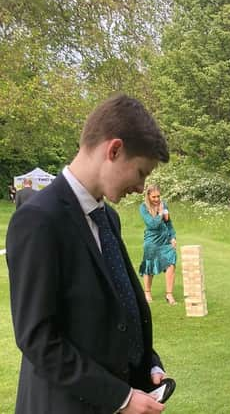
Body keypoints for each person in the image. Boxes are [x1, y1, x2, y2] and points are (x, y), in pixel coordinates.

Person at [6, 94, 171, 414]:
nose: (141, 187)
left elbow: (117, 309)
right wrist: (120, 398)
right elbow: (38, 339)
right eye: (140, 173)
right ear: (114, 150)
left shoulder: (107, 217)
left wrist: (147, 364)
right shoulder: (39, 220)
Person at [139, 185, 178, 305]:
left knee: (171, 263)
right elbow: (152, 225)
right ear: (148, 196)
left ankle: (169, 295)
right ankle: (147, 292)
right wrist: (160, 213)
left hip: (165, 240)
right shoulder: (143, 207)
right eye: (154, 197)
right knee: (149, 266)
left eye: (158, 196)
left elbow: (169, 223)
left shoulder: (163, 204)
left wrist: (172, 237)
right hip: (152, 241)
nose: (157, 199)